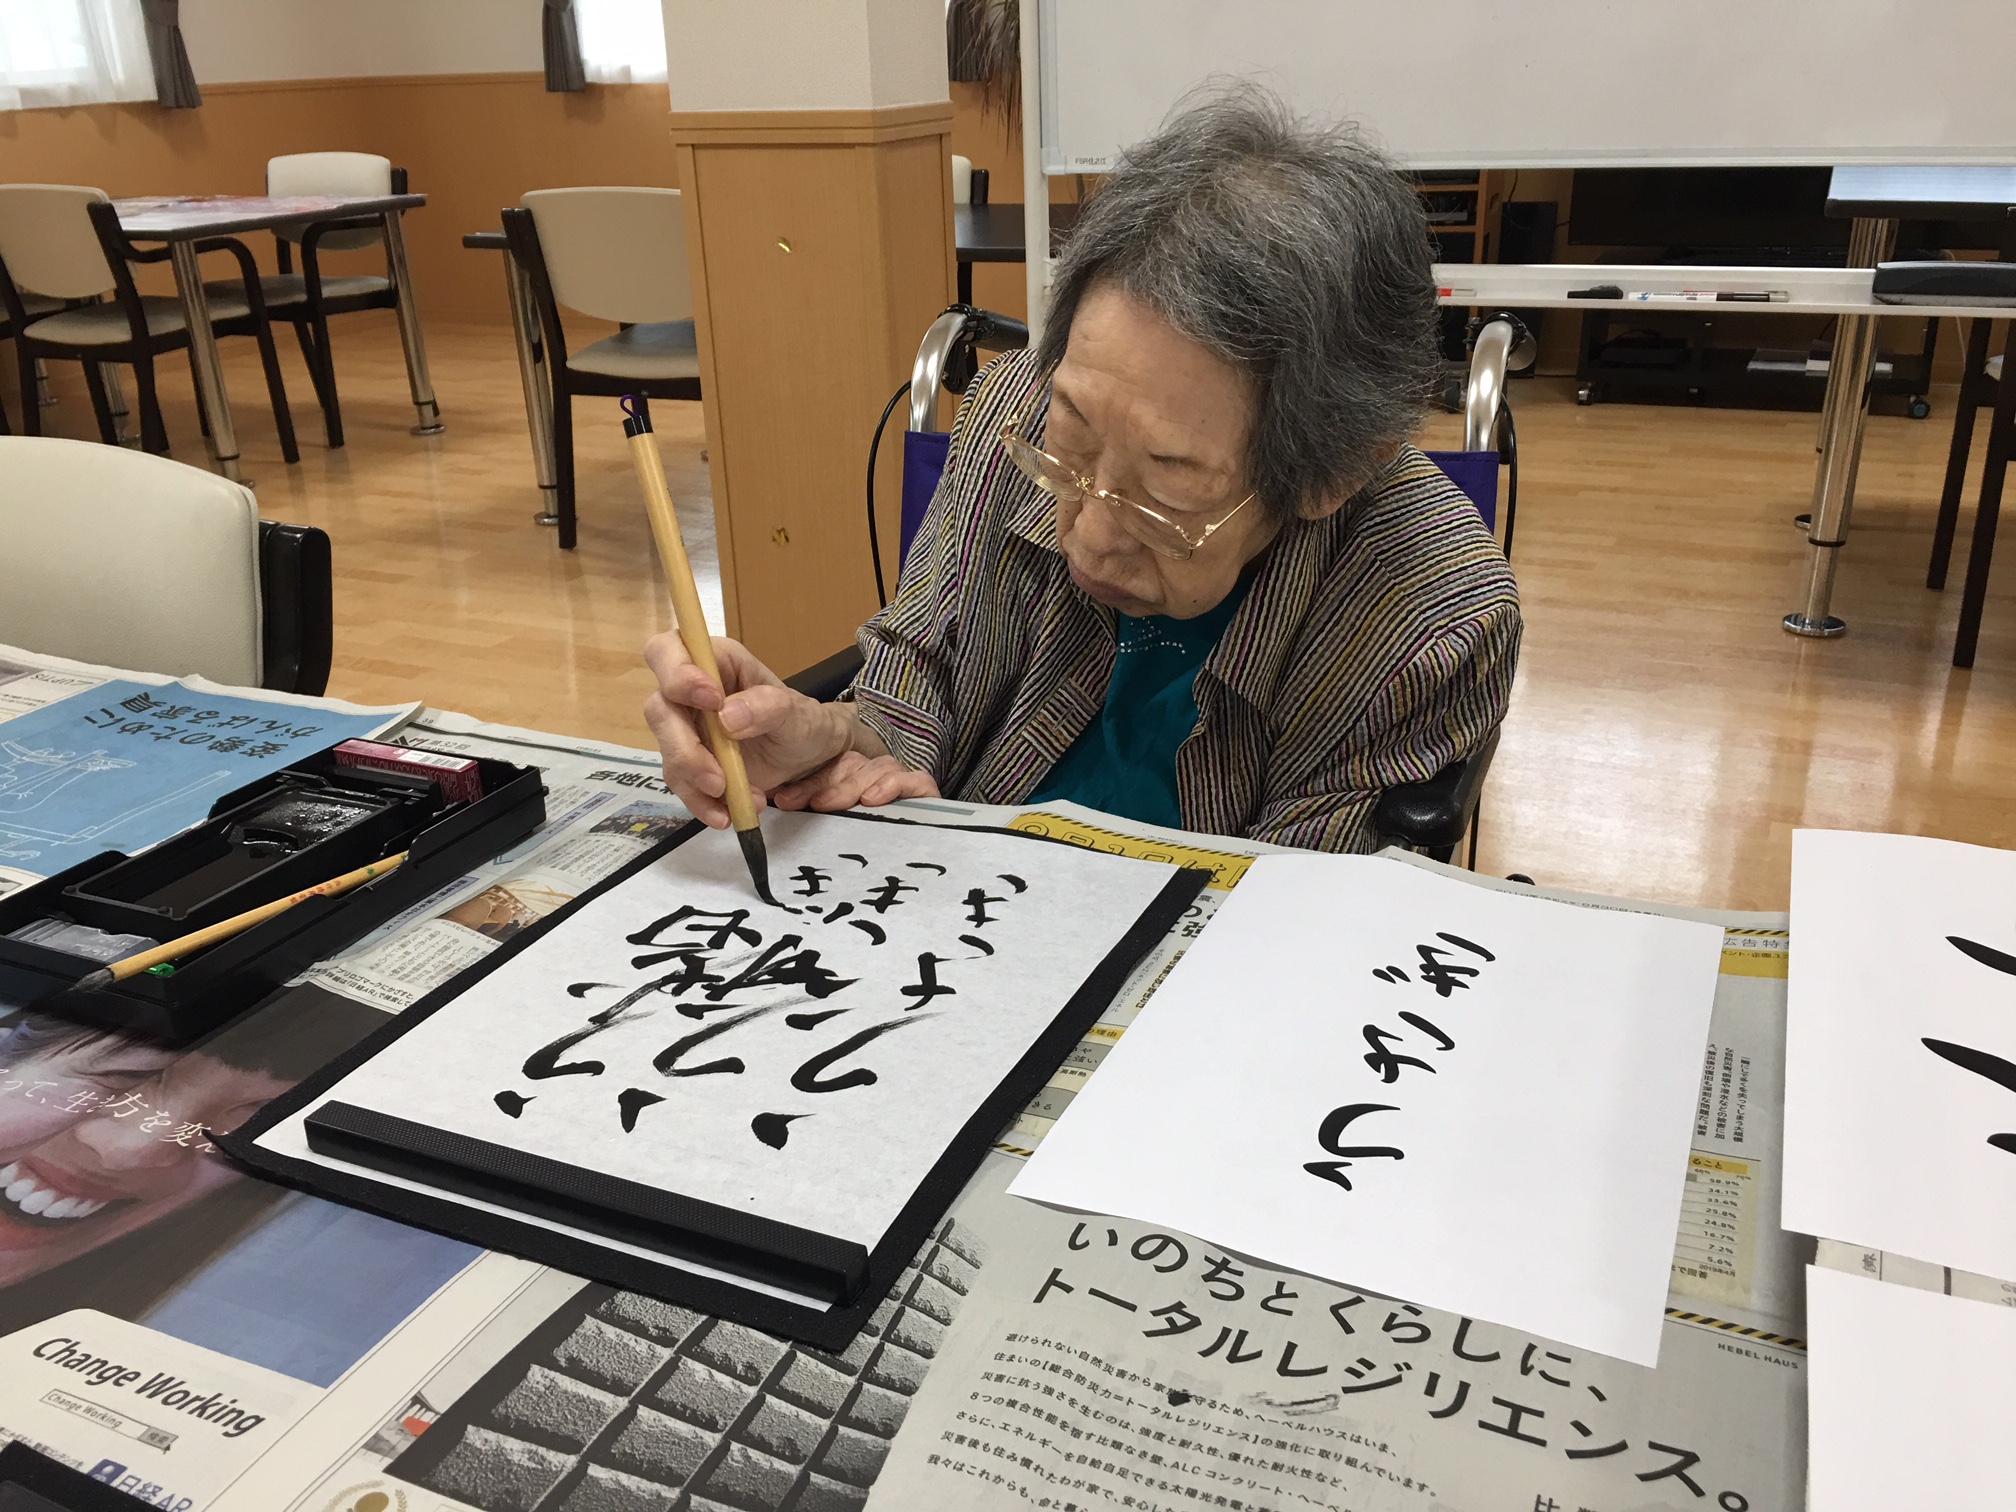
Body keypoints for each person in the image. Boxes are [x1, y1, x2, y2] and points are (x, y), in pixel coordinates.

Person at [646, 86, 1520, 852]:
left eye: (1169, 483)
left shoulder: (1434, 624)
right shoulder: (1016, 409)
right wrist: (837, 742)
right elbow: (922, 671)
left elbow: (1286, 929)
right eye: (1072, 440)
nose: (1091, 541)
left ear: (1335, 474)